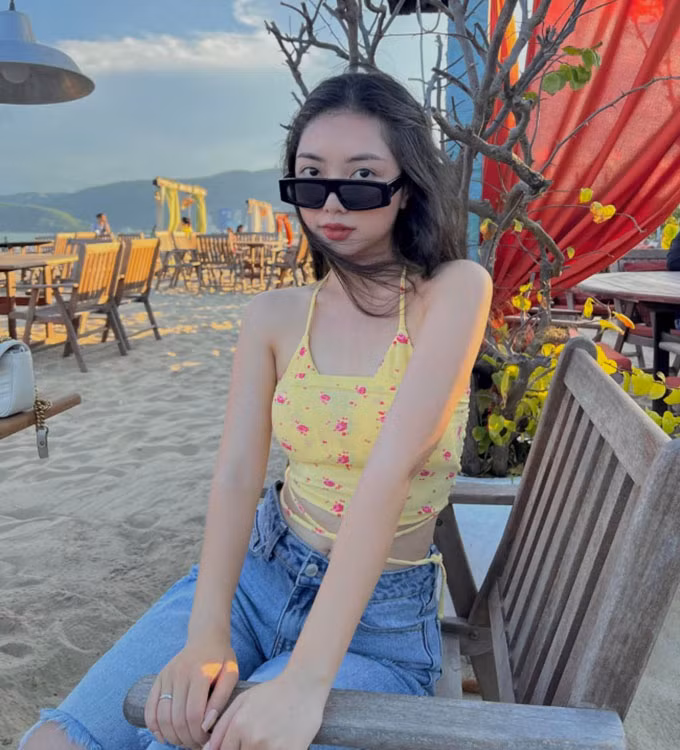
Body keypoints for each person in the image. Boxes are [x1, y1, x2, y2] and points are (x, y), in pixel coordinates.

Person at [20, 69, 492, 750]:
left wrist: (304, 681)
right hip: (258, 576)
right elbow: (239, 475)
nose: (332, 202)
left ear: (407, 186)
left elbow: (389, 474)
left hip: (376, 620)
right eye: (310, 178)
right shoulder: (275, 315)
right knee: (54, 741)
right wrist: (206, 632)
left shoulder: (450, 292)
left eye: (362, 178)